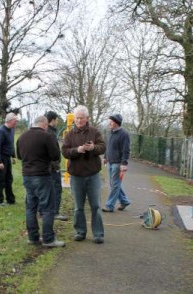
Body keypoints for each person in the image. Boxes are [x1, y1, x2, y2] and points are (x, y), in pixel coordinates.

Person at [16, 115, 65, 248]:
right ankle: (49, 239)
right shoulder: (47, 136)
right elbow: (55, 156)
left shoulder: (22, 137)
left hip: (27, 176)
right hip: (42, 175)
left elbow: (19, 155)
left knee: (31, 208)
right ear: (44, 124)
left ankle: (33, 237)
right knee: (48, 208)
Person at [61, 105, 106, 244]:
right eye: (77, 118)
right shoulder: (69, 135)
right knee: (78, 207)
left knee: (96, 206)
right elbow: (64, 151)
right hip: (76, 175)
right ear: (74, 119)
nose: (79, 121)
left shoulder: (95, 132)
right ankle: (80, 231)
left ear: (87, 118)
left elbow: (103, 147)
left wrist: (93, 148)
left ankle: (98, 234)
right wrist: (77, 150)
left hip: (93, 175)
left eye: (81, 118)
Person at [103, 113, 131, 212]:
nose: (109, 123)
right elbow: (108, 147)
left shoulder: (124, 134)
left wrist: (124, 164)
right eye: (109, 121)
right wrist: (105, 157)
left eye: (111, 121)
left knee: (115, 185)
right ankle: (124, 201)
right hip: (110, 162)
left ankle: (109, 205)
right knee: (114, 184)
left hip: (118, 164)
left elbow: (126, 150)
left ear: (117, 123)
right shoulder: (110, 132)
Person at [45, 110, 68, 221]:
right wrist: (56, 166)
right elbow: (53, 152)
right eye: (57, 119)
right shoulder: (50, 133)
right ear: (53, 120)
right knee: (56, 189)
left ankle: (44, 210)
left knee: (47, 190)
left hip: (46, 167)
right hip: (52, 167)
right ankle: (54, 212)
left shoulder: (46, 131)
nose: (58, 121)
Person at [0, 112, 18, 205]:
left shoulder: (12, 130)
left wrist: (13, 156)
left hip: (8, 158)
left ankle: (10, 199)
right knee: (1, 179)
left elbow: (11, 144)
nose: (16, 123)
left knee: (9, 179)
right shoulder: (1, 131)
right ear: (10, 121)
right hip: (1, 158)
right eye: (15, 121)